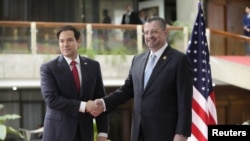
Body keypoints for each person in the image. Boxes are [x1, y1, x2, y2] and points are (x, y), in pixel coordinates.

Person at [90, 17, 193, 141]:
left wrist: (181, 133)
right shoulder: (138, 60)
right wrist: (104, 103)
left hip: (166, 133)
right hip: (138, 132)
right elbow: (127, 90)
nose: (149, 36)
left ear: (165, 33)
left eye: (154, 32)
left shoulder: (179, 60)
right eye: (146, 32)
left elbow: (185, 101)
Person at [40, 25, 108, 141]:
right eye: (61, 41)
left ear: (79, 41)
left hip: (85, 133)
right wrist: (84, 105)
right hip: (58, 133)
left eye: (70, 40)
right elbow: (52, 100)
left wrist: (102, 132)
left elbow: (100, 99)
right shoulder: (48, 68)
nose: (65, 45)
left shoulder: (93, 66)